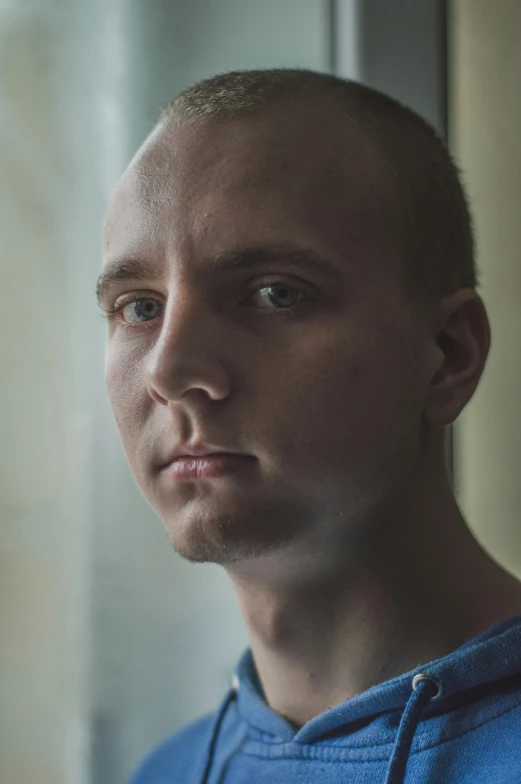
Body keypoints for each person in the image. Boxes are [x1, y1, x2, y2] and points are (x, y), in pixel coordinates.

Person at [97, 69, 521, 784]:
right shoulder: (165, 772)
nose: (169, 370)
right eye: (139, 307)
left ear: (447, 354)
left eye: (274, 293)